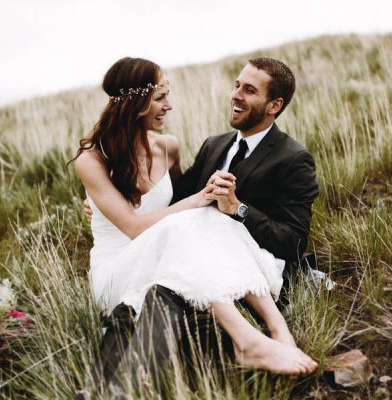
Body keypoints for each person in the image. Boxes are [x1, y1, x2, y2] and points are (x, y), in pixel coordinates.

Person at [71, 57, 318, 391]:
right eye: (161, 97)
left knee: (209, 220)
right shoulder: (211, 146)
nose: (236, 95)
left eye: (249, 90)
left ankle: (277, 332)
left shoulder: (171, 147)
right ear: (136, 102)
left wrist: (235, 208)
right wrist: (101, 208)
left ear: (274, 105)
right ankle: (247, 339)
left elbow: (292, 241)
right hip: (120, 264)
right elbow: (166, 215)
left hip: (174, 260)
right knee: (204, 215)